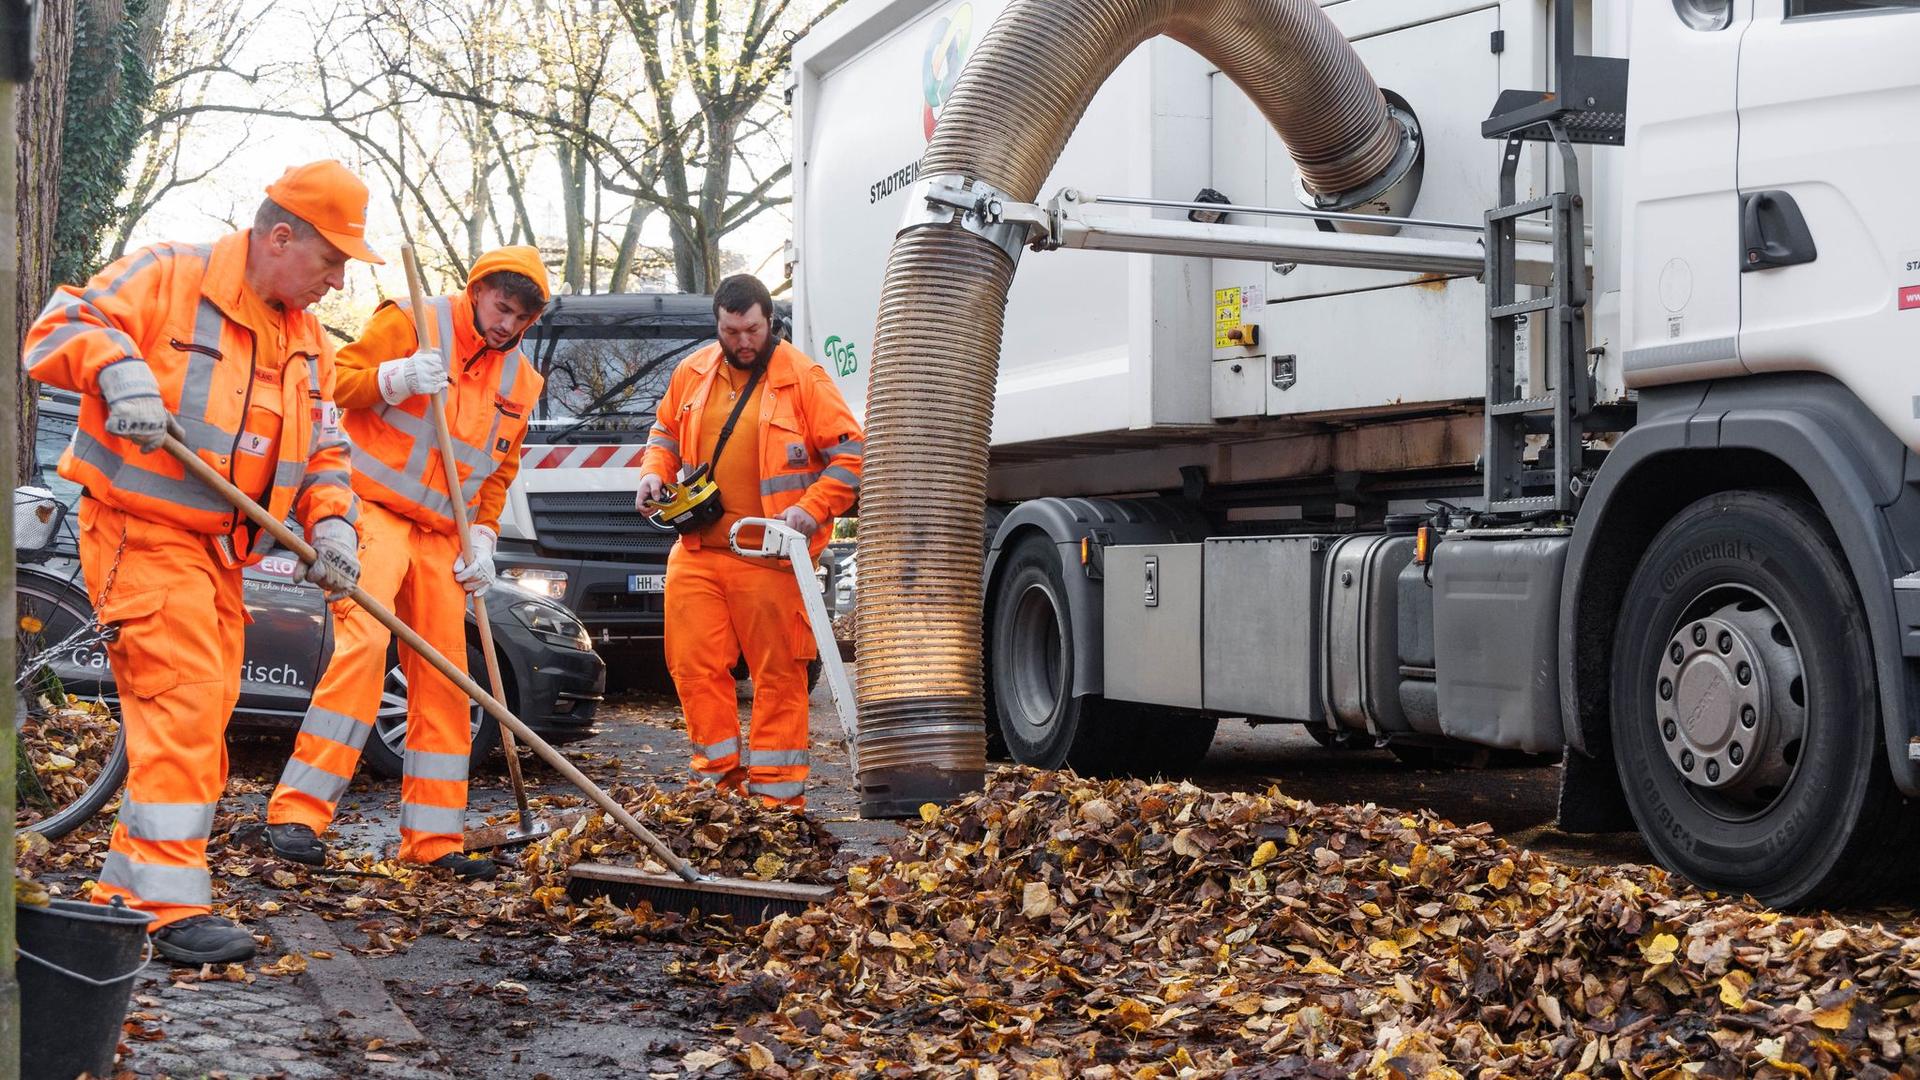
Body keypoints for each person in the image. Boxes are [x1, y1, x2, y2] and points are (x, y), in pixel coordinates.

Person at [24, 160, 374, 964]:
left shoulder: (308, 338)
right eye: (331, 260)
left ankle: (128, 887)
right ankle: (161, 907)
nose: (337, 279)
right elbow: (56, 328)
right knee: (182, 704)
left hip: (220, 552)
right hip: (139, 533)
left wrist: (334, 530)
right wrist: (118, 367)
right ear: (280, 236)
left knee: (201, 713)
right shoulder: (169, 274)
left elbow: (325, 449)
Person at [261, 246, 549, 881]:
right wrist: (393, 378)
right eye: (502, 307)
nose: (508, 324)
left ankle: (433, 841)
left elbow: (499, 473)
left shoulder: (524, 383)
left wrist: (483, 536)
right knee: (363, 647)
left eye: (522, 317)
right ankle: (298, 814)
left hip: (445, 536)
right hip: (373, 510)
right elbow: (333, 383)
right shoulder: (415, 320)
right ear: (478, 292)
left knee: (446, 679)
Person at [636, 274, 864, 810]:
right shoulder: (692, 373)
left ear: (770, 322)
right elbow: (663, 434)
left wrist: (809, 512)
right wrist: (652, 470)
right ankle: (715, 790)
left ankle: (776, 803)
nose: (743, 341)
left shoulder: (802, 378)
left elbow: (851, 455)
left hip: (772, 557)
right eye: (732, 330)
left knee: (780, 677)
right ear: (717, 325)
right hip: (697, 551)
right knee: (692, 669)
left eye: (753, 329)